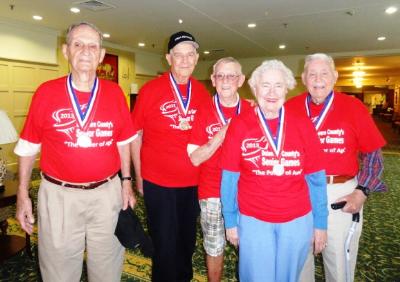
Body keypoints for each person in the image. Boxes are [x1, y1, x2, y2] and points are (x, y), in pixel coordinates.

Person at [14, 22, 136, 282]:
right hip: (59, 196)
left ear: (101, 55)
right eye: (78, 44)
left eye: (93, 46)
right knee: (58, 270)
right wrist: (22, 193)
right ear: (65, 50)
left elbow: (123, 141)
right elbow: (28, 146)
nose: (85, 51)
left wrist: (126, 182)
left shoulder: (115, 93)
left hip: (107, 195)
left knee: (108, 267)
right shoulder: (46, 92)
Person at [220, 59, 328, 282]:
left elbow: (316, 178)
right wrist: (230, 221)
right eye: (265, 85)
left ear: (287, 88)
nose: (271, 92)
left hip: (297, 220)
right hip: (253, 219)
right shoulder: (240, 124)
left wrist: (320, 223)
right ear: (255, 87)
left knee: (289, 278)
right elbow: (229, 178)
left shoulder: (302, 123)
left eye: (278, 85)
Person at [286, 53, 387, 282]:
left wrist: (362, 191)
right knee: (299, 262)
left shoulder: (353, 107)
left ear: (335, 76)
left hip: (339, 193)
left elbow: (373, 154)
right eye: (312, 74)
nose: (318, 79)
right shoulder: (290, 107)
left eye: (324, 73)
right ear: (304, 78)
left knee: (339, 265)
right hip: (298, 193)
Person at [130, 31, 211, 282]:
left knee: (187, 242)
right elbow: (136, 135)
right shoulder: (150, 90)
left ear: (197, 59)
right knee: (164, 245)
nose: (185, 60)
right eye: (179, 55)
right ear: (168, 58)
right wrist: (139, 175)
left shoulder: (202, 93)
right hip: (158, 182)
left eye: (190, 55)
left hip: (193, 182)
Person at [187, 57, 251, 281]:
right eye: (220, 76)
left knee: (251, 244)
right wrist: (222, 134)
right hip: (213, 191)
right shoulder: (203, 111)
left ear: (241, 80)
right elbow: (195, 158)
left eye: (231, 75)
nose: (226, 81)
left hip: (249, 191)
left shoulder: (254, 110)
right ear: (213, 80)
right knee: (214, 246)